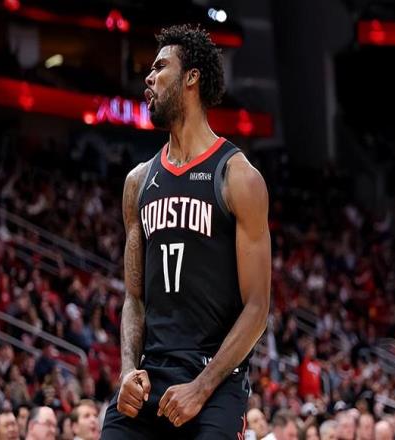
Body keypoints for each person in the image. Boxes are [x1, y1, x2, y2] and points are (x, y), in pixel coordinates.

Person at [101, 23, 271, 439]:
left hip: (215, 377)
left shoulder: (238, 177)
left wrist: (201, 387)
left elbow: (257, 308)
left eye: (161, 67)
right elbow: (134, 298)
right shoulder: (138, 182)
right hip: (151, 374)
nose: (149, 77)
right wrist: (127, 371)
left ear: (192, 77)